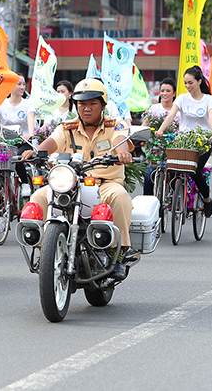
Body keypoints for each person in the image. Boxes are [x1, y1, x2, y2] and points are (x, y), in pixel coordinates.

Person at [20, 78, 133, 280]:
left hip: (105, 184)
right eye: (82, 104)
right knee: (38, 196)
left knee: (120, 196)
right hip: (70, 183)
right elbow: (51, 142)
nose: (86, 108)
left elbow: (120, 141)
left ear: (103, 105)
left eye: (92, 103)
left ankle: (119, 254)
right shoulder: (67, 127)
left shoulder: (115, 124)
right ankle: (43, 249)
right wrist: (36, 152)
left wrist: (122, 152)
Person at [156, 66, 212, 218]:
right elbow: (171, 116)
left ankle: (207, 199)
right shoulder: (182, 98)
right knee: (172, 169)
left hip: (202, 143)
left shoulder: (209, 100)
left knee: (196, 172)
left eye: (190, 82)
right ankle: (174, 196)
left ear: (199, 81)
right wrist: (161, 130)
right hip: (183, 141)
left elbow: (211, 118)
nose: (188, 86)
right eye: (185, 83)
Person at [0, 74, 35, 197]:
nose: (22, 87)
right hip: (6, 143)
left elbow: (30, 120)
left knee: (17, 158)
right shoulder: (1, 104)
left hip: (23, 142)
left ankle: (24, 183)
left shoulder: (28, 104)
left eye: (23, 84)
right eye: (19, 84)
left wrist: (30, 134)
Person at [142, 77, 176, 196]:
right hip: (155, 151)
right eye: (162, 91)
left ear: (174, 93)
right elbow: (144, 126)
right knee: (148, 176)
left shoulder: (178, 110)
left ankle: (173, 199)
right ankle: (147, 204)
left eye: (168, 91)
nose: (164, 94)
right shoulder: (154, 109)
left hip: (173, 151)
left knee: (175, 177)